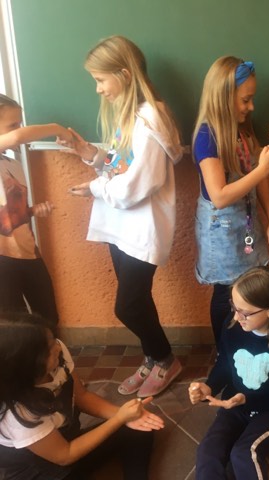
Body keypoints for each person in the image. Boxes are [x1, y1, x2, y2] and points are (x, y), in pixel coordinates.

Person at [57, 35, 183, 397]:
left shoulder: (150, 118)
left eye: (101, 79)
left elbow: (137, 184)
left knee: (127, 306)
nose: (98, 89)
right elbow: (121, 166)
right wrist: (91, 154)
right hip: (122, 229)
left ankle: (165, 359)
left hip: (141, 230)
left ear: (125, 74)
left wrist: (95, 188)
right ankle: (153, 357)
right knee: (138, 301)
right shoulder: (131, 117)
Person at [0, 311, 164, 480]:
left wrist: (127, 416)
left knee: (140, 426)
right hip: (40, 467)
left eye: (53, 340)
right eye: (49, 348)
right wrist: (119, 418)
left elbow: (82, 396)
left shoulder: (57, 352)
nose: (58, 347)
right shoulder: (16, 412)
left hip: (67, 441)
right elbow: (65, 455)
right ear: (27, 364)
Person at [192, 56, 269, 344]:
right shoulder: (207, 136)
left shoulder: (242, 130)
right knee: (227, 293)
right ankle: (224, 350)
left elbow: (258, 178)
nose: (251, 106)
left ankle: (249, 343)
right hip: (221, 232)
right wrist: (262, 170)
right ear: (224, 97)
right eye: (246, 100)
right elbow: (219, 196)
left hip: (246, 227)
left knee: (252, 287)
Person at [189, 266, 269, 480]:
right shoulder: (232, 326)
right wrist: (209, 386)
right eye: (234, 307)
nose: (236, 316)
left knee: (244, 453)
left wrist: (246, 398)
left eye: (245, 312)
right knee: (208, 451)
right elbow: (225, 364)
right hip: (234, 404)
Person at [0, 94, 71, 324]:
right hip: (3, 260)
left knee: (48, 316)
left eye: (19, 124)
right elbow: (17, 137)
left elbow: (9, 213)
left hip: (27, 252)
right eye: (13, 124)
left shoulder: (13, 164)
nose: (19, 130)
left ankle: (53, 348)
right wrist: (58, 129)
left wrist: (32, 211)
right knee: (16, 324)